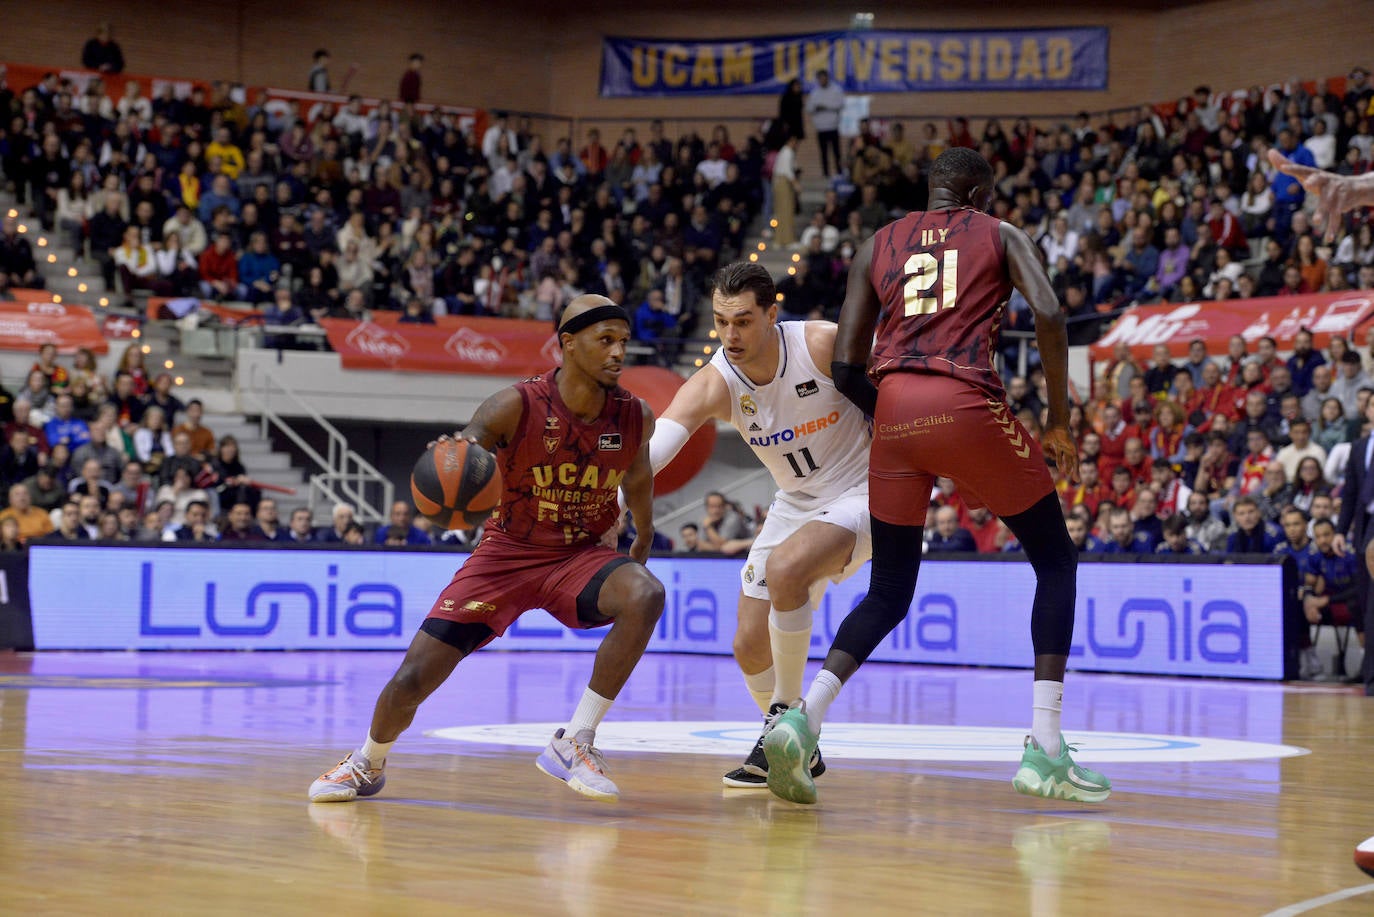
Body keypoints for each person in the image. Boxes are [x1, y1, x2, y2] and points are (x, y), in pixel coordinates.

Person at [764, 148, 1109, 805]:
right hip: (965, 399)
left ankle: (801, 720)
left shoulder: (878, 243)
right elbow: (1050, 312)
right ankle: (1046, 748)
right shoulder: (998, 232)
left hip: (894, 408)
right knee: (1055, 560)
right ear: (978, 194)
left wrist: (904, 421)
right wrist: (1058, 419)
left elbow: (845, 366)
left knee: (889, 589)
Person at [309, 295, 663, 804]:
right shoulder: (514, 404)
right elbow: (470, 444)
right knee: (412, 678)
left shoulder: (634, 415)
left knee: (646, 594)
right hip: (507, 554)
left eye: (623, 341)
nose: (618, 353)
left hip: (580, 555)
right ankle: (368, 761)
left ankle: (575, 740)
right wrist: (454, 456)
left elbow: (639, 475)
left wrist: (644, 533)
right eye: (605, 340)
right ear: (567, 343)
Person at [637, 261, 871, 788]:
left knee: (786, 569)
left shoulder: (820, 343)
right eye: (721, 322)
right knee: (747, 642)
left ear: (771, 314)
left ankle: (785, 725)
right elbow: (657, 449)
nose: (730, 335)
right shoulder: (717, 380)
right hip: (796, 500)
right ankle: (800, 751)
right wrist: (603, 492)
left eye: (743, 321)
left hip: (865, 489)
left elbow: (900, 387)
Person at [807, 71, 844, 179]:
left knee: (836, 152)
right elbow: (808, 108)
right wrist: (817, 108)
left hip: (833, 126)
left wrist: (826, 106)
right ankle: (826, 174)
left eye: (824, 78)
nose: (822, 80)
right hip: (821, 128)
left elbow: (841, 104)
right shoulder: (815, 93)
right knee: (823, 152)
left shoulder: (836, 90)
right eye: (820, 79)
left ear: (827, 78)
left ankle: (839, 173)